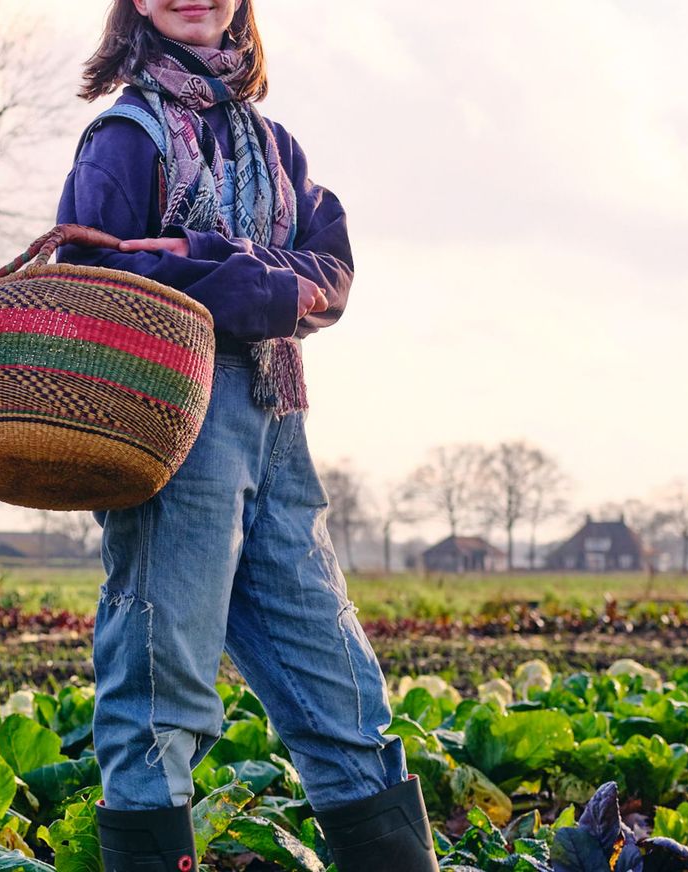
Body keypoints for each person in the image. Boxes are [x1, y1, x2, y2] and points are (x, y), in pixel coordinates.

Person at [52, 2, 439, 870]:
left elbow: (332, 270)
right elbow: (95, 269)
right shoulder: (123, 136)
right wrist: (271, 284)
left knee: (343, 690)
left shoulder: (275, 147)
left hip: (278, 420)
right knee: (162, 690)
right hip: (172, 421)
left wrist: (203, 258)